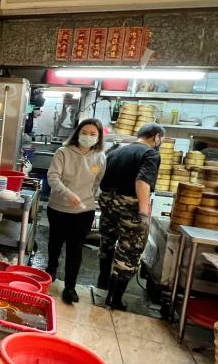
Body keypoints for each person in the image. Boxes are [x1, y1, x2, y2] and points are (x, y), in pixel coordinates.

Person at [97, 122, 164, 311]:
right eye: (161, 139)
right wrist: (144, 213)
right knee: (130, 251)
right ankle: (114, 298)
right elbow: (142, 181)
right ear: (156, 136)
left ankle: (102, 284)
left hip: (108, 202)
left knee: (107, 242)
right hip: (130, 206)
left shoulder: (116, 151)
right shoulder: (150, 154)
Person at [45, 118, 106, 304]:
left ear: (99, 137)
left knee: (75, 248)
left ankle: (70, 287)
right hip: (58, 208)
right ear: (78, 133)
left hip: (84, 211)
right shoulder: (63, 152)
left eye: (93, 134)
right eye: (84, 133)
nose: (88, 137)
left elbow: (97, 183)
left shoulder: (100, 157)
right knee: (55, 242)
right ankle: (51, 270)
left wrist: (88, 199)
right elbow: (53, 177)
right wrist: (68, 194)